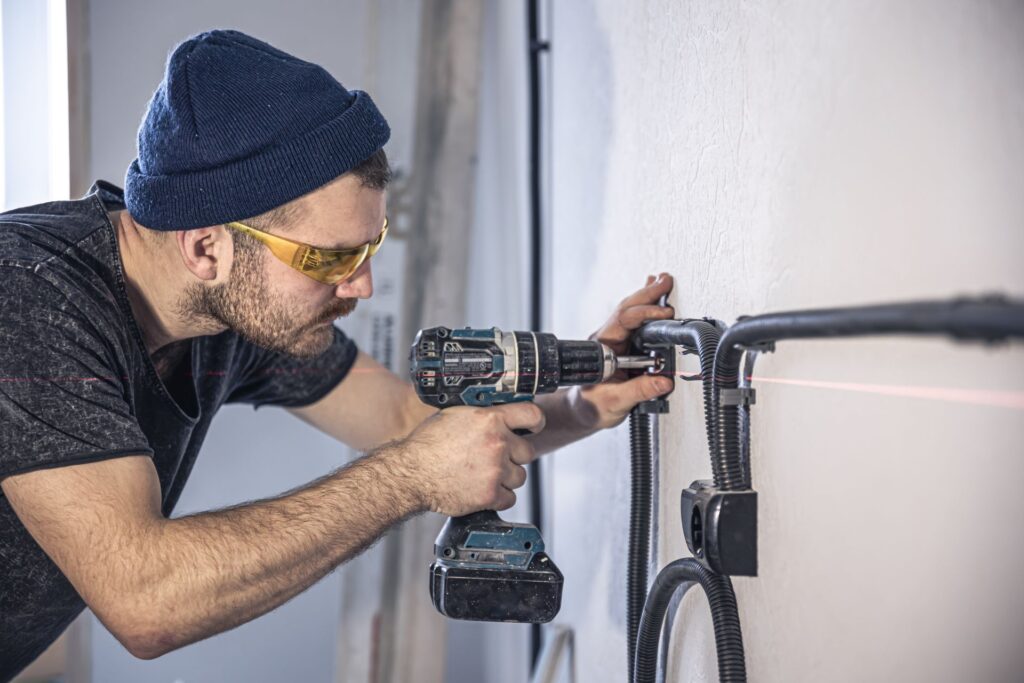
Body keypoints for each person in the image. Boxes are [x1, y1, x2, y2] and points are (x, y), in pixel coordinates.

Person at [0, 30, 675, 678]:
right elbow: (147, 599)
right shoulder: (28, 297)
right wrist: (408, 478)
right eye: (331, 259)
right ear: (206, 247)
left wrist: (583, 400)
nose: (361, 285)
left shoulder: (232, 308)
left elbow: (404, 417)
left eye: (369, 247)